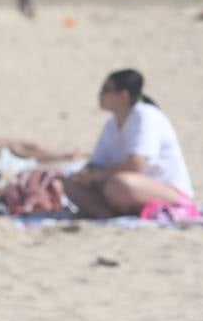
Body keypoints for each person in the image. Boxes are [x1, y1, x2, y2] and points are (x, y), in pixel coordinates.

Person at [63, 69, 195, 219]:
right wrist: (86, 174)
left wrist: (98, 176)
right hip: (122, 186)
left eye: (106, 90)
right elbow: (97, 162)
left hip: (166, 190)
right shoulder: (112, 123)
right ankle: (107, 216)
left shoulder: (146, 115)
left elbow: (136, 164)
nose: (100, 95)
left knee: (118, 185)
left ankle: (111, 212)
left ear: (123, 95)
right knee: (71, 182)